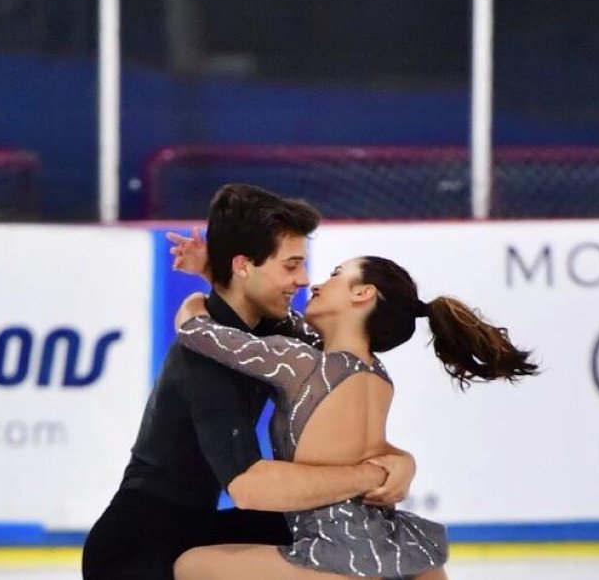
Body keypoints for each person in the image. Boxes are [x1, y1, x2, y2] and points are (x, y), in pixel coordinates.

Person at [81, 184, 416, 579]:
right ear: (243, 266)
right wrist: (369, 476)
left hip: (198, 530)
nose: (304, 280)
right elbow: (249, 487)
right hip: (138, 552)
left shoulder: (272, 331)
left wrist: (400, 462)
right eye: (290, 266)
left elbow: (351, 418)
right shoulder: (206, 357)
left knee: (372, 542)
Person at [168, 254, 538, 579]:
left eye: (335, 273)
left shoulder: (300, 364)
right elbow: (286, 323)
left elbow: (198, 332)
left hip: (334, 558)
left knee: (189, 565)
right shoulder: (378, 377)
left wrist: (196, 299)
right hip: (397, 550)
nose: (316, 282)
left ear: (363, 294)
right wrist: (215, 273)